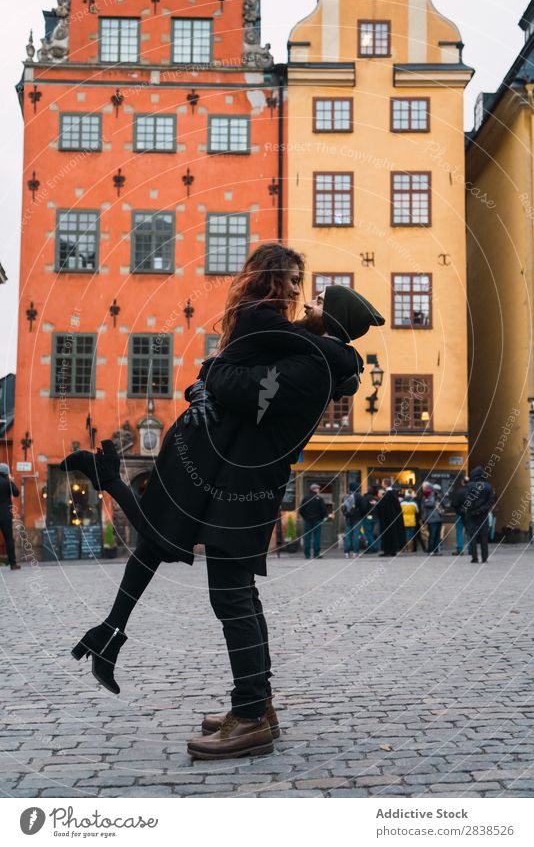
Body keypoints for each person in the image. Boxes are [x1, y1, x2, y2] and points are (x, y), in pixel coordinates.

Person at [60, 243, 385, 760]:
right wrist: (209, 379)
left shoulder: (312, 367)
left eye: (320, 298)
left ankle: (252, 714)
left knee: (231, 597)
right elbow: (239, 370)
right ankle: (256, 704)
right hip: (235, 481)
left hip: (246, 489)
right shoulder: (301, 353)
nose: (308, 300)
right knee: (231, 592)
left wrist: (210, 378)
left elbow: (241, 386)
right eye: (303, 286)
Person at [458, 466, 496, 563]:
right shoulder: (488, 486)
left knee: (472, 537)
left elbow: (466, 500)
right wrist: (481, 510)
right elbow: (491, 501)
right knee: (484, 537)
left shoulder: (469, 486)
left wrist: (472, 510)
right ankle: (484, 557)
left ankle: (474, 557)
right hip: (483, 515)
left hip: (471, 515)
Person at [375, 479, 406, 557]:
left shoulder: (388, 494)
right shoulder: (393, 493)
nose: (381, 484)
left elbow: (383, 506)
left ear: (385, 484)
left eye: (382, 482)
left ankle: (387, 550)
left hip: (387, 519)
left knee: (388, 534)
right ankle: (393, 550)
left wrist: (376, 504)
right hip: (393, 518)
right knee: (393, 534)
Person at [299, 483, 328, 559]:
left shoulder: (305, 498)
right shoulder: (319, 499)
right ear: (314, 489)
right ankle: (316, 554)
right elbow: (324, 511)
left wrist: (305, 517)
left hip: (307, 520)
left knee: (307, 537)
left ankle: (307, 555)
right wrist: (322, 518)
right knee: (317, 537)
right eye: (317, 488)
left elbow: (301, 510)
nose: (319, 490)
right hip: (317, 520)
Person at [0, 464, 20, 570]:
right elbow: (16, 493)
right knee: (8, 539)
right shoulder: (7, 482)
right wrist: (11, 480)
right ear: (6, 472)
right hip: (5, 516)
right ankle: (13, 564)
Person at [341, 482, 366, 558]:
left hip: (348, 518)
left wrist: (345, 515)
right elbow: (364, 508)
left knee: (347, 535)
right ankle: (355, 552)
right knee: (356, 535)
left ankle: (346, 553)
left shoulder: (345, 497)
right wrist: (362, 515)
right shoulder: (359, 497)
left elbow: (342, 508)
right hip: (357, 518)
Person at [422, 482, 444, 555]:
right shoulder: (436, 495)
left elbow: (430, 504)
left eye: (424, 487)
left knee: (433, 535)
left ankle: (432, 550)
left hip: (433, 518)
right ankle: (435, 550)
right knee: (435, 535)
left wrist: (425, 502)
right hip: (438, 517)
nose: (423, 489)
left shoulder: (429, 495)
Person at [450, 475, 469, 555]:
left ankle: (460, 549)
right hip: (469, 515)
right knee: (470, 532)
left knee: (459, 531)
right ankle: (471, 549)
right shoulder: (473, 492)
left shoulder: (459, 491)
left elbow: (453, 504)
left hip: (459, 514)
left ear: (462, 482)